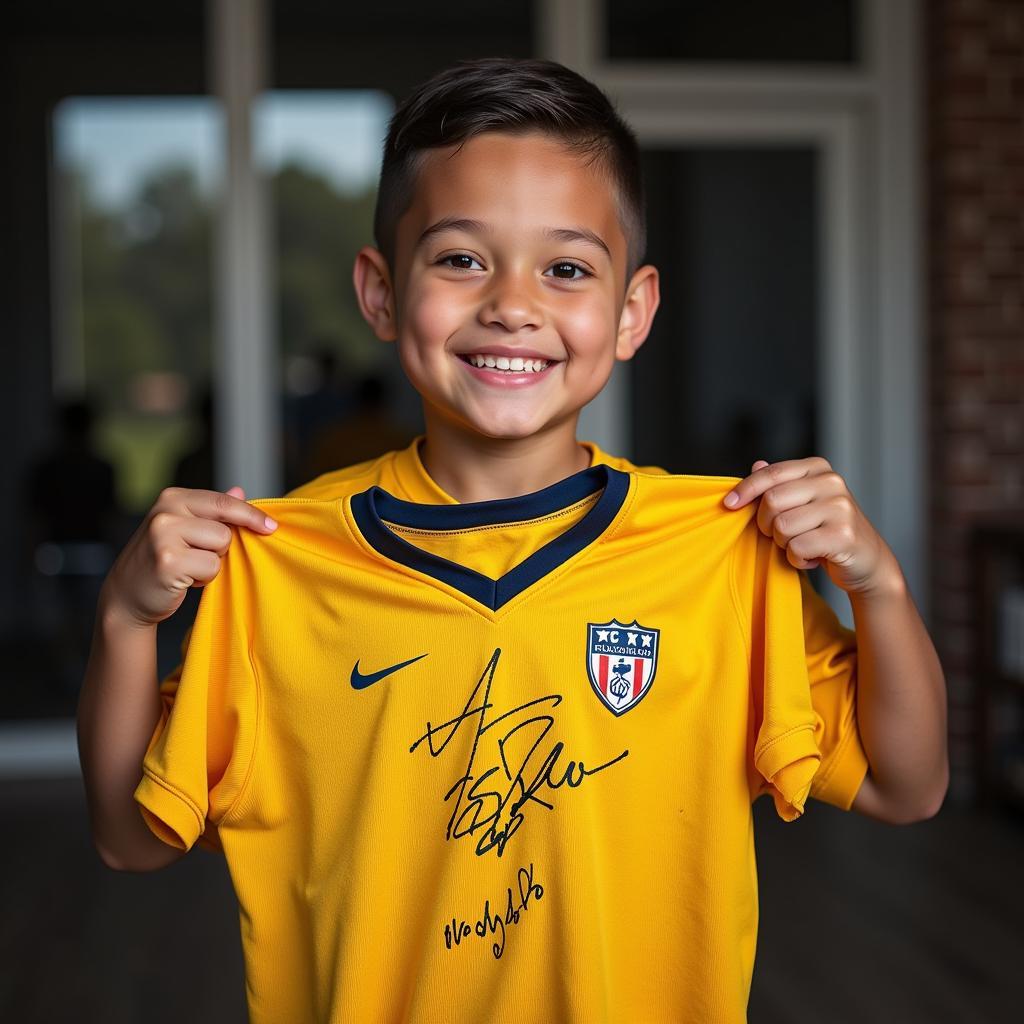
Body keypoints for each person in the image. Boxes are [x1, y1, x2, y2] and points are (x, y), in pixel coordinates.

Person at [77, 58, 948, 1023]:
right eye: (461, 259)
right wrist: (124, 619)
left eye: (566, 267)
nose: (513, 304)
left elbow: (905, 787)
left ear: (631, 312)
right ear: (379, 292)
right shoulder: (281, 564)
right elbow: (128, 837)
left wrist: (881, 589)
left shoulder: (718, 554)